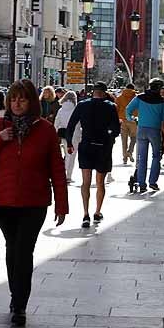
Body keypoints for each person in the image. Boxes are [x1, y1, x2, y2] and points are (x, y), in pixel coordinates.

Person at [0, 79, 68, 326]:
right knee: (12, 249)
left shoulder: (45, 130)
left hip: (34, 202)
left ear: (31, 102)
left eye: (22, 98)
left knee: (24, 251)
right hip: (4, 202)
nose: (17, 103)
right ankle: (15, 296)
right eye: (13, 99)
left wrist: (62, 203)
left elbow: (57, 169)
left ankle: (19, 304)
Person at [66, 82, 120, 228]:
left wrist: (70, 143)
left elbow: (71, 125)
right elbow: (116, 130)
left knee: (86, 182)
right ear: (104, 92)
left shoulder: (82, 105)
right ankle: (97, 212)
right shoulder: (110, 107)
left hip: (86, 146)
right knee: (100, 182)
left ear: (93, 92)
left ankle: (85, 214)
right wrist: (109, 135)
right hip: (103, 147)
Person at [125, 78, 164, 193]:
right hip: (155, 130)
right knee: (156, 156)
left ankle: (141, 183)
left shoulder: (140, 97)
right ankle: (153, 182)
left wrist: (132, 119)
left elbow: (128, 109)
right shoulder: (163, 101)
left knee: (141, 157)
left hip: (141, 129)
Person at [54, 90, 79, 182]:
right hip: (74, 134)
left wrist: (55, 133)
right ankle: (68, 175)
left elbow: (57, 122)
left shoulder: (61, 110)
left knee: (66, 154)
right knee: (72, 156)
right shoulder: (76, 109)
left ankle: (63, 173)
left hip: (63, 134)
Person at [114, 84, 137, 165]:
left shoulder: (119, 98)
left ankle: (124, 158)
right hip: (133, 120)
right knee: (134, 138)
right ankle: (130, 151)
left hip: (123, 120)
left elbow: (116, 109)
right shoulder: (136, 97)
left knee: (124, 140)